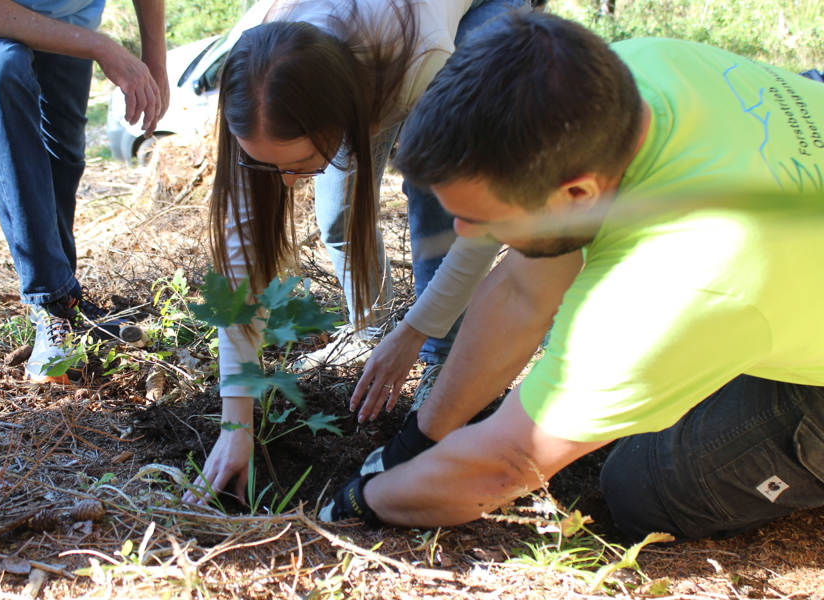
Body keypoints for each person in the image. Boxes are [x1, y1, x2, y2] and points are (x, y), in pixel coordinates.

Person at [319, 10, 824, 543]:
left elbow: (507, 465)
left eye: (485, 219)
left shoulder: (676, 282)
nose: (465, 234)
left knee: (641, 486)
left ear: (576, 195)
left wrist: (361, 501)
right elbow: (520, 292)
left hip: (770, 313)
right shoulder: (631, 75)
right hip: (781, 269)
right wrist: (416, 444)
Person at [186, 0, 529, 504]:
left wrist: (415, 330)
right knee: (339, 218)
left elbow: (483, 220)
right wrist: (235, 424)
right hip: (358, 50)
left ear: (345, 116)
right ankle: (370, 330)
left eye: (300, 161)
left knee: (436, 187)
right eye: (267, 166)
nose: (285, 183)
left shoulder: (421, 61)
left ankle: (443, 357)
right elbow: (241, 257)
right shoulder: (254, 76)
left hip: (460, 14)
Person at [0, 0, 168, 383]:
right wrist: (102, 46)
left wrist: (155, 60)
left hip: (68, 15)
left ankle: (68, 303)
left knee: (62, 157)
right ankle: (51, 303)